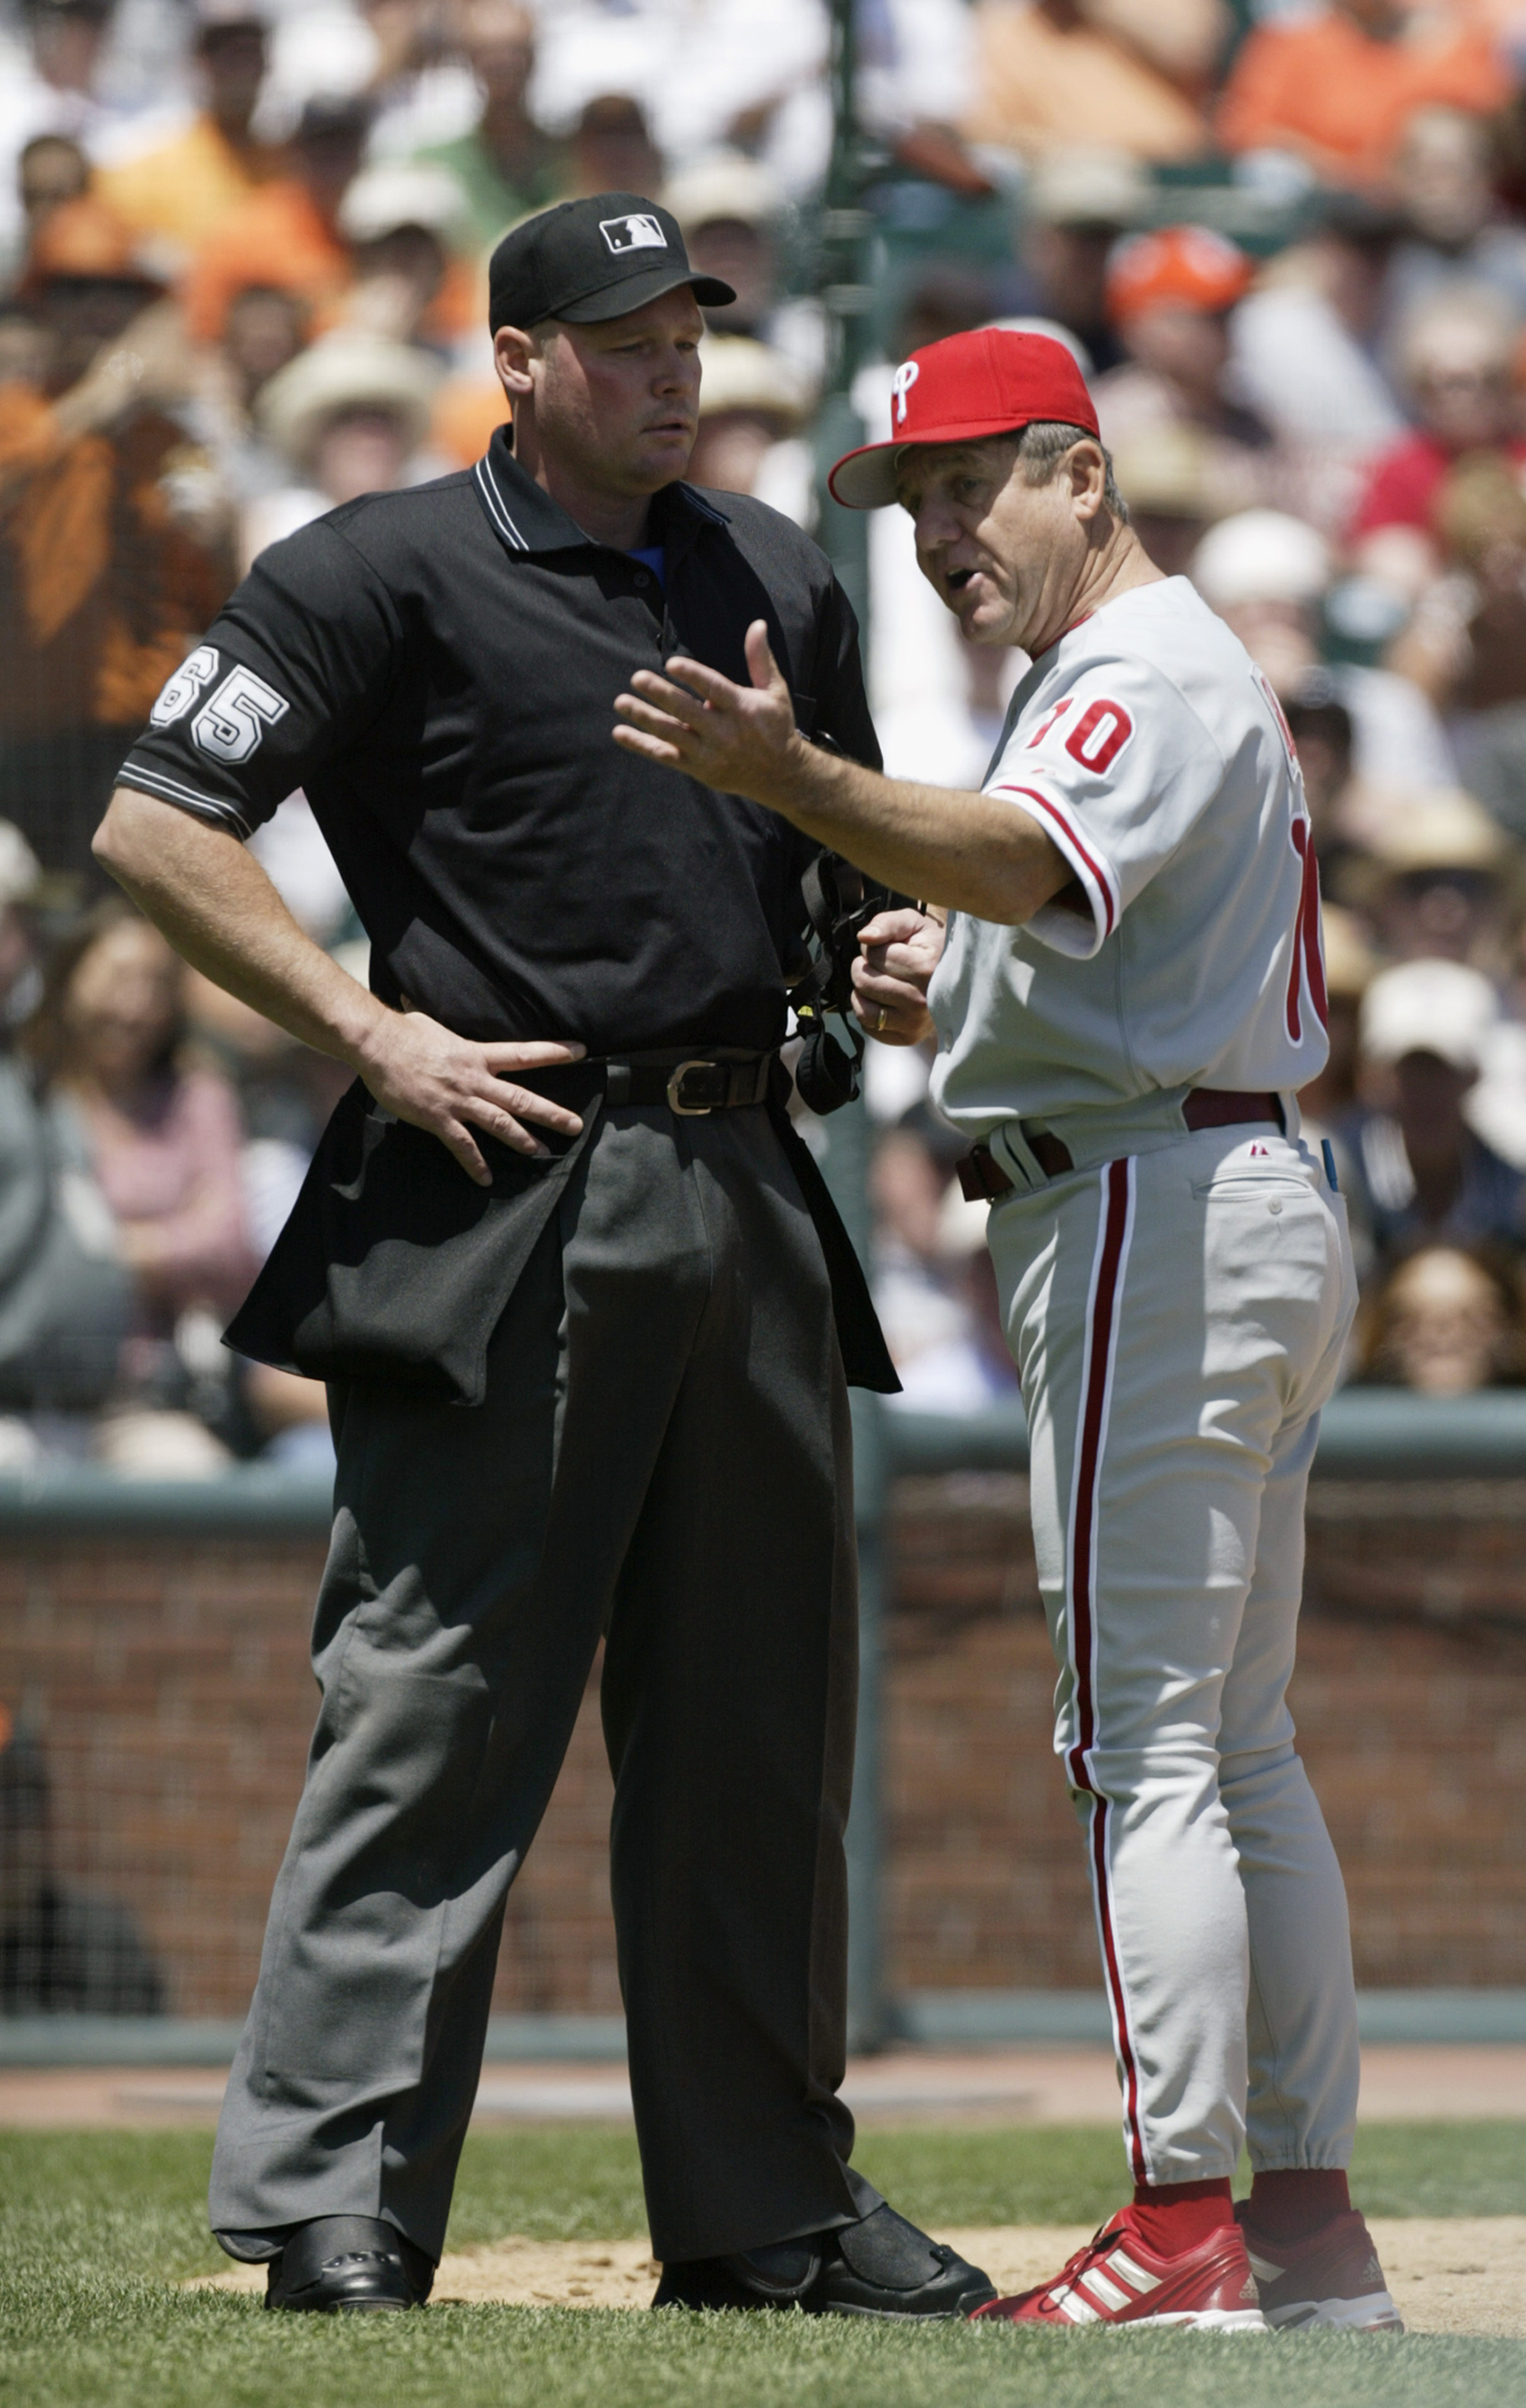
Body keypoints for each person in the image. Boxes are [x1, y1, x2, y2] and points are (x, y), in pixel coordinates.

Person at [92, 190, 992, 2322]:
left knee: (759, 1732)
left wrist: (866, 937)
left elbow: (822, 851)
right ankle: (339, 2204)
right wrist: (368, 1030)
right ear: (515, 360)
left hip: (751, 1176)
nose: (669, 368)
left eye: (686, 331)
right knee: (435, 1707)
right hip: (501, 1184)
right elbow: (150, 821)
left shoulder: (773, 562)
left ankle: (766, 2210)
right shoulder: (371, 566)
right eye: (620, 340)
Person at [613, 324, 1401, 2333]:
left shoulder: (1132, 662)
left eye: (975, 482)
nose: (945, 529)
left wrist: (792, 777)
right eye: (916, 498)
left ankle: (1183, 2231)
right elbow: (1075, 931)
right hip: (1219, 1170)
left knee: (1142, 1745)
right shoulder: (1123, 664)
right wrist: (948, 996)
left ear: (1080, 469)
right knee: (1234, 1743)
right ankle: (1298, 2230)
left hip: (1154, 1198)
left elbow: (1034, 857)